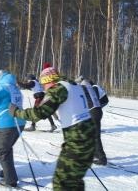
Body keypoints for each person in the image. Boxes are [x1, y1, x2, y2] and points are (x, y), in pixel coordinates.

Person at [9, 63, 95, 191]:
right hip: (86, 139)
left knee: (62, 183)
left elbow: (39, 113)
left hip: (78, 143)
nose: (44, 88)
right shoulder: (72, 84)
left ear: (49, 81)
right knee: (73, 182)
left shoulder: (58, 89)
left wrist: (17, 112)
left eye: (44, 84)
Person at [75, 75, 107, 165]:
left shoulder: (83, 87)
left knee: (93, 135)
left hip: (92, 112)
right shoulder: (91, 87)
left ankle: (102, 158)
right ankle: (96, 154)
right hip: (97, 111)